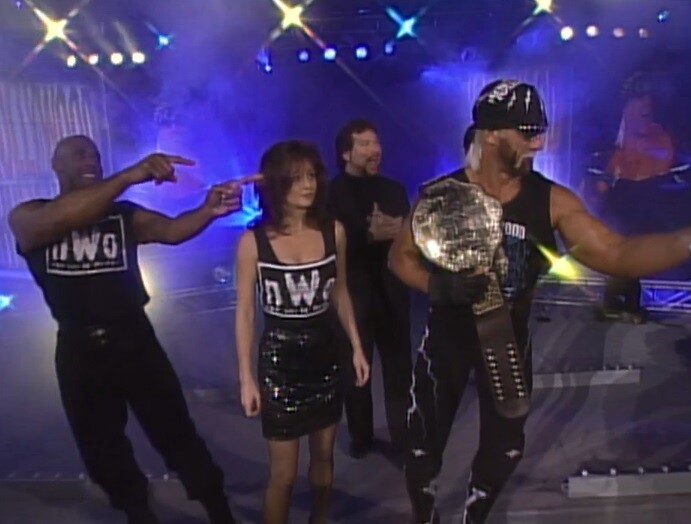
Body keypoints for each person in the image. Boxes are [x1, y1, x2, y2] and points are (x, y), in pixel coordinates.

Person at [389, 79, 691, 523]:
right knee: (421, 448)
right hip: (447, 341)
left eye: (541, 132)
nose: (539, 143)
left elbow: (618, 254)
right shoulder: (443, 195)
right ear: (492, 133)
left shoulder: (551, 201)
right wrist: (438, 287)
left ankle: (474, 517)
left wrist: (686, 239)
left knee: (506, 449)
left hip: (508, 343)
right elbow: (400, 257)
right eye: (528, 133)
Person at [7, 135, 257, 524]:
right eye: (79, 154)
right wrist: (128, 175)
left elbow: (172, 230)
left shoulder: (122, 214)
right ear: (56, 165)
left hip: (134, 338)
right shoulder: (28, 214)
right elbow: (55, 222)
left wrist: (208, 210)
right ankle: (138, 512)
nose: (90, 160)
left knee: (176, 432)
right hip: (78, 345)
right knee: (101, 446)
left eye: (94, 155)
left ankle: (218, 508)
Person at [234, 140, 369, 524]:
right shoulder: (253, 242)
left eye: (312, 175)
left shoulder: (333, 232)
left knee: (324, 461)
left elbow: (340, 291)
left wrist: (357, 347)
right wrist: (246, 378)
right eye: (296, 177)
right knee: (284, 475)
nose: (308, 185)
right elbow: (245, 312)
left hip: (325, 355)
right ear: (278, 183)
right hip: (279, 364)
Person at [327, 118, 412, 459]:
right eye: (364, 144)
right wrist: (367, 235)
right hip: (353, 292)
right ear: (346, 153)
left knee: (399, 370)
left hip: (392, 291)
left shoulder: (394, 190)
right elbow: (330, 244)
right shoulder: (331, 194)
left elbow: (409, 235)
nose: (374, 150)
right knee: (355, 369)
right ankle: (361, 435)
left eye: (376, 143)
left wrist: (400, 230)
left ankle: (403, 439)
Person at [597, 75, 675, 321]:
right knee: (621, 246)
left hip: (643, 192)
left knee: (635, 248)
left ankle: (627, 302)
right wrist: (605, 186)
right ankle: (616, 301)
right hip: (625, 193)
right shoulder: (622, 136)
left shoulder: (657, 136)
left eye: (646, 108)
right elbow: (612, 167)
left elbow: (661, 160)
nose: (642, 111)